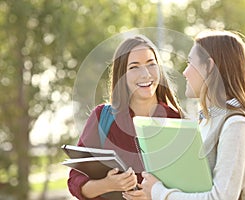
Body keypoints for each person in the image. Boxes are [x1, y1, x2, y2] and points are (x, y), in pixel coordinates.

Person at [127, 30, 245, 200]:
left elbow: (221, 198)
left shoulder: (236, 125)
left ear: (209, 66)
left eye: (190, 62)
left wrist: (159, 192)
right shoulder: (207, 121)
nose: (184, 72)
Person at [67, 35, 182, 200]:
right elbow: (75, 181)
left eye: (151, 64)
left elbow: (190, 188)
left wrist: (155, 195)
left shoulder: (177, 121)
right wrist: (107, 184)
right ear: (122, 75)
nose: (145, 74)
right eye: (134, 67)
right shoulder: (102, 118)